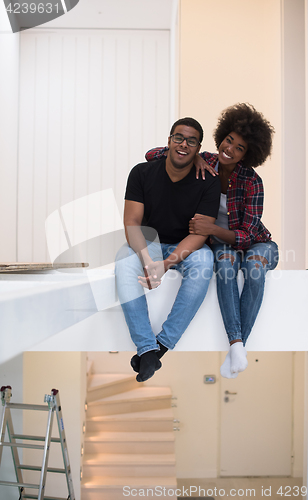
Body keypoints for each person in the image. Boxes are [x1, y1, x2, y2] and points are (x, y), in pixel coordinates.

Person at [146, 103, 279, 378]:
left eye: (239, 147)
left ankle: (236, 346)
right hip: (222, 246)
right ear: (222, 137)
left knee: (254, 267)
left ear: (248, 154)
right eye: (229, 140)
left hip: (257, 243)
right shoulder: (205, 161)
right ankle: (237, 347)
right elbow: (151, 155)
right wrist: (192, 156)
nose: (230, 148)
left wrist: (212, 229)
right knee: (226, 266)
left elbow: (247, 235)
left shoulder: (252, 181)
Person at [115, 117, 220, 382]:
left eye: (191, 141)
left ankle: (159, 346)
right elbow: (132, 223)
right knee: (124, 261)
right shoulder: (141, 173)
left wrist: (166, 264)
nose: (184, 144)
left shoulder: (208, 180)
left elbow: (200, 233)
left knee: (205, 262)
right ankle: (146, 346)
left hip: (186, 244)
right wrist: (148, 260)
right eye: (179, 138)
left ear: (198, 148)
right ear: (169, 141)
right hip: (148, 241)